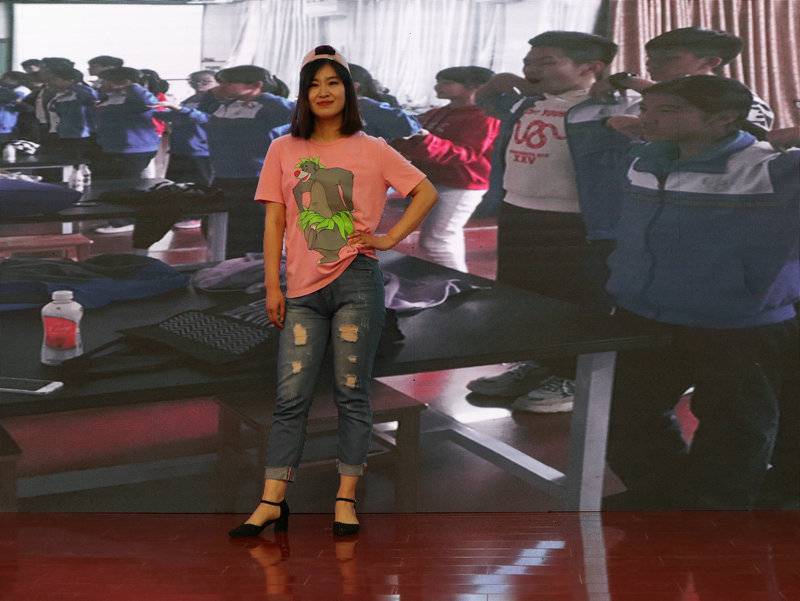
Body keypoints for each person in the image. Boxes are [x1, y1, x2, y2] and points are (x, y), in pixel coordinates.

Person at [228, 45, 437, 538]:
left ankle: (345, 499)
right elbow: (274, 221)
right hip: (301, 289)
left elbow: (425, 192)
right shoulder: (283, 148)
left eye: (333, 82)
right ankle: (271, 501)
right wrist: (273, 286)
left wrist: (388, 238)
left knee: (351, 393)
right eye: (314, 84)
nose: (323, 92)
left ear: (348, 91)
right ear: (303, 94)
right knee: (290, 397)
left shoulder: (373, 147)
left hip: (356, 282)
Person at [603, 75, 799, 510]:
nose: (648, 119)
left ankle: (715, 508)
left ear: (723, 118)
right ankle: (659, 493)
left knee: (735, 422)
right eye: (646, 108)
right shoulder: (644, 160)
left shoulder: (768, 168)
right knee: (627, 412)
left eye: (668, 111)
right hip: (642, 312)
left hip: (737, 323)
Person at [466, 31, 639, 412]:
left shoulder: (611, 106)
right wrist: (503, 79)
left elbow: (660, 119)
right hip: (519, 211)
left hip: (577, 220)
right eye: (529, 62)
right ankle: (539, 364)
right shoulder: (528, 102)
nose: (533, 69)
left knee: (575, 300)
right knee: (526, 294)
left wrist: (621, 82)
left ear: (590, 67)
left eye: (546, 62)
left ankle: (573, 377)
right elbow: (486, 99)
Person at [391, 66, 499, 272]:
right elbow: (410, 143)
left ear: (473, 87)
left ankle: (458, 284)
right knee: (438, 239)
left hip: (461, 185)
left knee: (437, 242)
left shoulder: (484, 116)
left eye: (447, 82)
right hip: (433, 181)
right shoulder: (436, 113)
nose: (437, 86)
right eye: (438, 81)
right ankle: (449, 282)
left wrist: (425, 139)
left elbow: (466, 153)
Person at [596, 27, 774, 139]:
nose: (652, 64)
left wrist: (631, 81)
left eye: (669, 58)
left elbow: (756, 140)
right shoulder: (638, 96)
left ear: (709, 62)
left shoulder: (747, 102)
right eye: (650, 57)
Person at [197, 65, 295, 257]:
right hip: (223, 177)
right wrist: (210, 96)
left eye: (229, 82)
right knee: (217, 229)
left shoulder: (272, 105)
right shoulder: (226, 105)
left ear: (256, 85)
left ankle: (255, 270)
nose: (221, 86)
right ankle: (226, 268)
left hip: (257, 180)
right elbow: (204, 116)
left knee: (252, 233)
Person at [151, 70, 216, 185]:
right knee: (177, 185)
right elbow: (176, 116)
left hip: (201, 149)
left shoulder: (216, 100)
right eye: (195, 81)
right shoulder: (189, 100)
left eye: (205, 81)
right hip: (180, 147)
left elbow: (207, 118)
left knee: (202, 185)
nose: (199, 83)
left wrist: (179, 109)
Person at [0, 71, 31, 143]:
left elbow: (14, 99)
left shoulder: (22, 91)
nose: (1, 79)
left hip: (5, 126)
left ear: (15, 81)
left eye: (5, 78)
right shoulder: (6, 90)